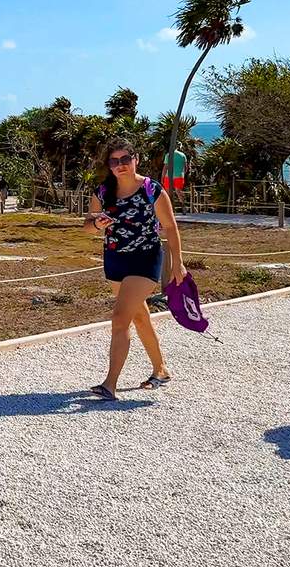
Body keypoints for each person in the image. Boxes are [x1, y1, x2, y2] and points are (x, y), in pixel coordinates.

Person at [83, 139, 186, 400]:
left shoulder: (151, 189)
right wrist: (97, 225)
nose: (120, 165)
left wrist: (178, 263)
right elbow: (87, 227)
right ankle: (161, 370)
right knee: (139, 317)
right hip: (115, 260)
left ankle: (109, 384)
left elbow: (170, 227)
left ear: (135, 159)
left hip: (145, 259)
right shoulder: (103, 192)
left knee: (120, 319)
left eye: (125, 159)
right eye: (114, 161)